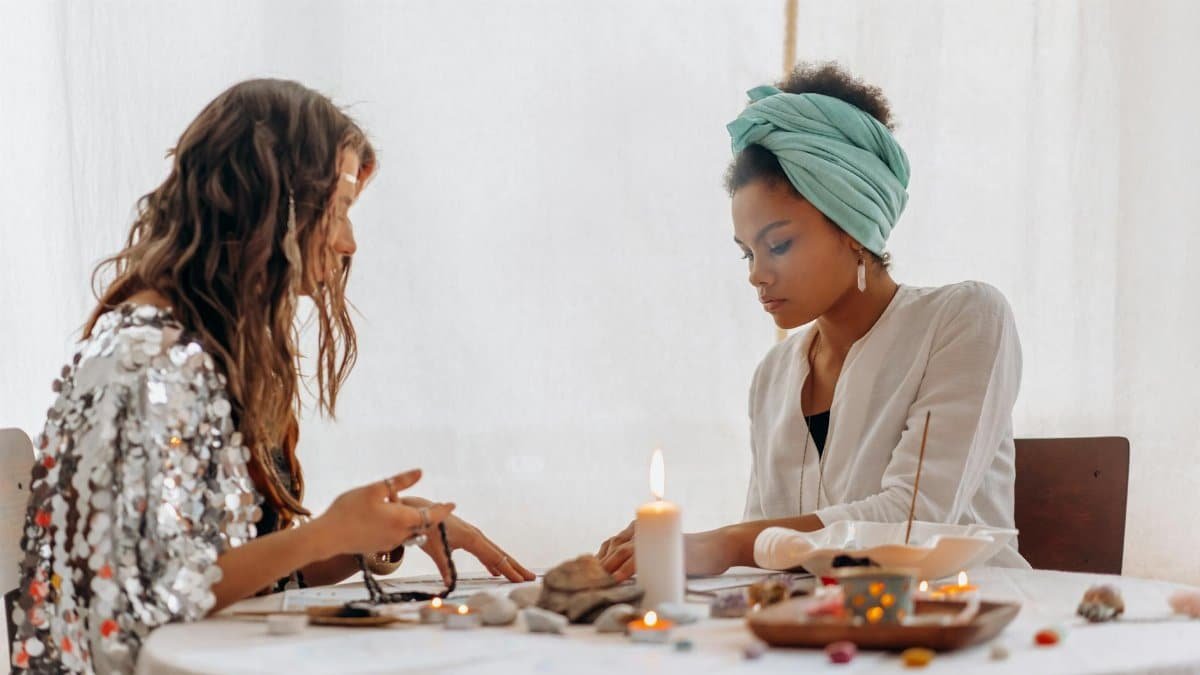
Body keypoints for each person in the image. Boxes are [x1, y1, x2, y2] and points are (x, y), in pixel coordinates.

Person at [10, 79, 533, 674]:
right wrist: (325, 531)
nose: (347, 242)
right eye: (336, 211)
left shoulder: (208, 351)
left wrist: (378, 535)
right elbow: (148, 603)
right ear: (267, 202)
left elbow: (233, 579)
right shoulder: (143, 365)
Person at [597, 62, 1026, 580]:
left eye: (778, 244)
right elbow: (768, 549)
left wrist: (722, 543)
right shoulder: (774, 375)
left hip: (974, 632)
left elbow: (916, 520)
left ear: (853, 226)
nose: (758, 274)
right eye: (746, 254)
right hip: (820, 638)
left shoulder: (965, 319)